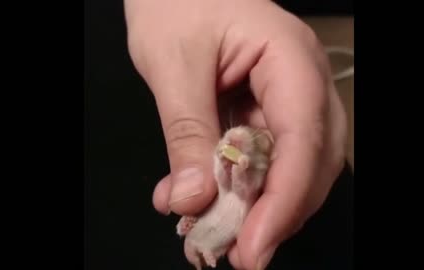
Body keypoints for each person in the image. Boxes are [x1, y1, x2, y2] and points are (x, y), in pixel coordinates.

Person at [124, 0, 348, 269]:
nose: (234, 140)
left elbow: (236, 186)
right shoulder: (226, 155)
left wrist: (240, 168)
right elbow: (221, 173)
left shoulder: (251, 178)